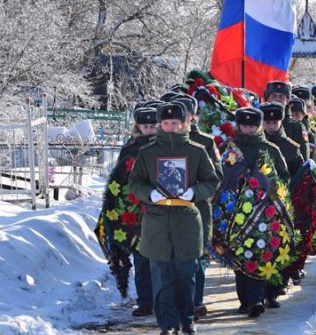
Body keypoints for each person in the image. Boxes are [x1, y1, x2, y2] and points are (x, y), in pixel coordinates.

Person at [129, 102, 220, 335]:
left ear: (185, 123)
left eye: (175, 123)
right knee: (161, 277)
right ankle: (167, 324)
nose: (170, 127)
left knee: (186, 275)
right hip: (157, 221)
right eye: (166, 123)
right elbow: (135, 182)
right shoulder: (147, 152)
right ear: (160, 123)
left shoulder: (197, 151)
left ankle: (187, 319)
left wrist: (194, 193)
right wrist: (150, 193)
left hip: (187, 219)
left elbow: (212, 181)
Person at [225, 107, 289, 319]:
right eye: (245, 125)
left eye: (253, 126)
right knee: (240, 252)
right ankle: (245, 300)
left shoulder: (269, 149)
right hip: (236, 212)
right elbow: (222, 175)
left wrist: (269, 188)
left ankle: (255, 300)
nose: (249, 129)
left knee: (261, 252)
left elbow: (283, 178)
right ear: (238, 125)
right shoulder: (231, 148)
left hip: (265, 211)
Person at [95, 106, 158, 316]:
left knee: (160, 260)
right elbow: (120, 177)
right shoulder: (130, 148)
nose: (149, 130)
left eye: (152, 126)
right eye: (145, 126)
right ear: (137, 126)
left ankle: (162, 299)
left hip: (160, 207)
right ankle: (145, 301)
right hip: (135, 209)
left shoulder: (164, 145)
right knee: (141, 257)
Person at [172, 94, 222, 320]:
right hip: (167, 210)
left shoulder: (206, 142)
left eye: (186, 113)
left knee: (197, 256)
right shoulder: (161, 142)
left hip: (197, 209)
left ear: (194, 115)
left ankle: (195, 301)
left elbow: (216, 178)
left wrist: (195, 192)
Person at [259, 102, 304, 308]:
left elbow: (298, 177)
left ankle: (274, 290)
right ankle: (257, 294)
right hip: (255, 205)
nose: (270, 126)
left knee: (278, 246)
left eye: (274, 122)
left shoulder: (290, 147)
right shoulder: (256, 143)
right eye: (267, 122)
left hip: (281, 204)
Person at [264, 81, 310, 160]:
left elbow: (304, 156)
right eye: (274, 95)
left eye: (281, 96)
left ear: (288, 100)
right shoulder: (259, 122)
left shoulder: (296, 126)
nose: (277, 99)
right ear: (268, 98)